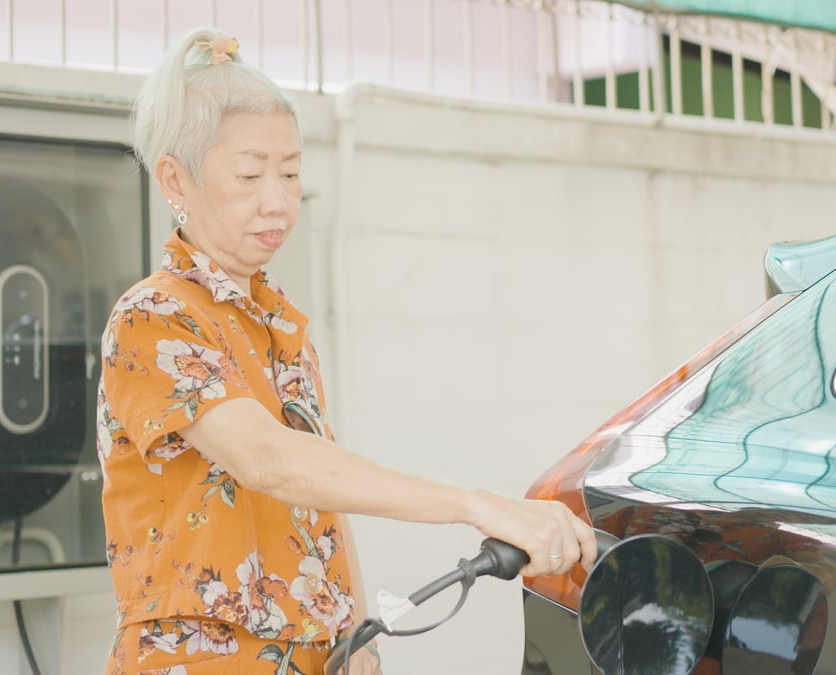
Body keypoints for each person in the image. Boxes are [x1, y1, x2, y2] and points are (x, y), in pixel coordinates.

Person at [97, 27, 597, 675]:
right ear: (175, 178)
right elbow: (269, 461)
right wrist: (478, 503)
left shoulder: (280, 325)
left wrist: (358, 629)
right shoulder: (156, 317)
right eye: (249, 175)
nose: (276, 200)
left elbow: (318, 490)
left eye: (291, 172)